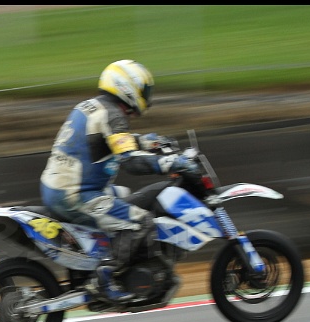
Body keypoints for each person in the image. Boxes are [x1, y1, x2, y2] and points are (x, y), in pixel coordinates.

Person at [39, 59, 200, 302]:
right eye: (144, 90)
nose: (147, 96)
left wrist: (149, 142)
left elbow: (112, 140)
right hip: (76, 194)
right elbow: (130, 161)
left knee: (125, 195)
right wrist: (171, 163)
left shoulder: (92, 106)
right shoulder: (112, 114)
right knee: (142, 222)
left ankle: (113, 263)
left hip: (58, 187)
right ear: (128, 87)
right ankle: (104, 278)